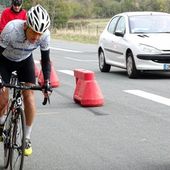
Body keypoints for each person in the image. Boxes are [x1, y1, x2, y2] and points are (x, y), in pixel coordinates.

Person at [0, 4, 52, 156]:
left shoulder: (45, 35)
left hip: (25, 61)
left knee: (29, 96)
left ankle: (27, 138)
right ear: (26, 26)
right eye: (33, 32)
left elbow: (45, 60)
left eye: (40, 34)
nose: (36, 37)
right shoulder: (11, 29)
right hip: (5, 61)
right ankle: (1, 121)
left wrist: (46, 82)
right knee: (2, 96)